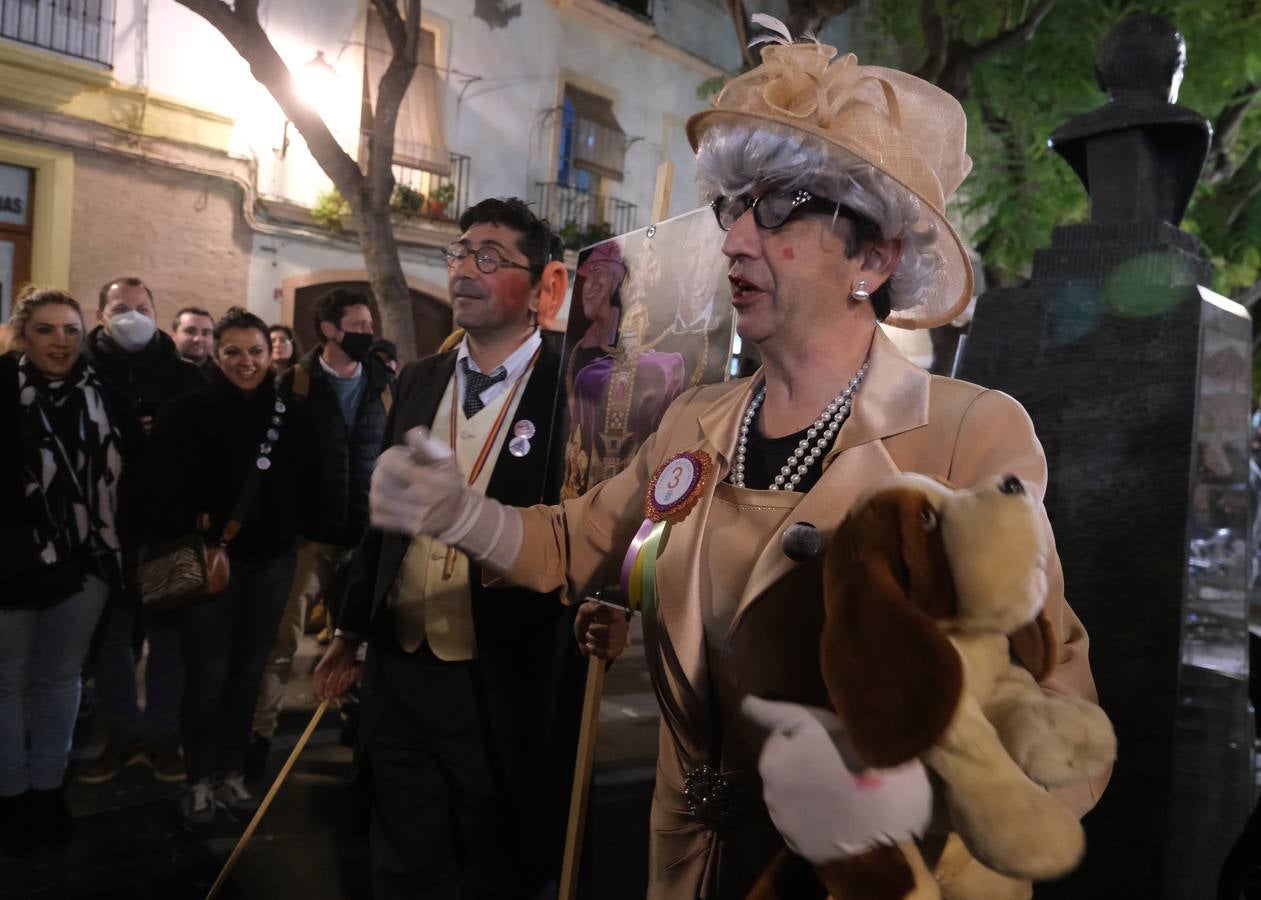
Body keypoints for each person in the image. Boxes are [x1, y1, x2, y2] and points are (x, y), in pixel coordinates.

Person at [366, 39, 1110, 900]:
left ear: (872, 261)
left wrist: (910, 802)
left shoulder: (967, 432)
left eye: (778, 208)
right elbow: (581, 542)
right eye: (731, 209)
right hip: (697, 863)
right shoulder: (694, 418)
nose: (734, 242)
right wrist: (457, 511)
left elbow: (1054, 691)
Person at [313, 198, 627, 900]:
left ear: (545, 288)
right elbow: (385, 522)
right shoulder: (420, 380)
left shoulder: (578, 391)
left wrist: (609, 600)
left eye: (490, 257)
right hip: (401, 667)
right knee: (400, 856)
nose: (464, 270)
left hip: (503, 671)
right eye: (459, 253)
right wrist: (351, 627)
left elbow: (592, 525)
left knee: (495, 862)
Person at [142, 306, 316, 825]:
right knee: (209, 674)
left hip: (273, 561)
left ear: (272, 354)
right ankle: (199, 776)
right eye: (234, 352)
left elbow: (310, 479)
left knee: (248, 673)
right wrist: (192, 518)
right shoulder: (186, 411)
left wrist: (292, 527)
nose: (246, 362)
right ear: (217, 355)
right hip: (211, 561)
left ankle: (231, 771)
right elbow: (157, 486)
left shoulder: (293, 413)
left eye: (256, 352)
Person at [0, 287, 133, 854]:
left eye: (71, 331)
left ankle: (48, 790)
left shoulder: (106, 392)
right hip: (9, 561)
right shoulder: (1, 388)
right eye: (47, 330)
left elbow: (130, 479)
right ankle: (9, 795)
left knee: (61, 679)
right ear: (24, 335)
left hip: (87, 562)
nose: (60, 342)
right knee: (6, 682)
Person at [244, 290, 394, 774]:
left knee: (354, 640)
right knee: (282, 643)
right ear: (330, 330)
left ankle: (352, 718)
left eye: (369, 322)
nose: (367, 330)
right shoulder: (296, 384)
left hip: (364, 536)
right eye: (357, 322)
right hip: (310, 540)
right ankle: (259, 736)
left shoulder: (383, 382)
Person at [79, 277, 205, 785]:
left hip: (165, 531)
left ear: (157, 312)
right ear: (101, 313)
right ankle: (120, 735)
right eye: (121, 307)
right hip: (102, 534)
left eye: (142, 307)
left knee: (166, 642)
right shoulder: (85, 372)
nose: (132, 315)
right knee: (110, 642)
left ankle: (161, 736)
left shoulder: (185, 377)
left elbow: (203, 451)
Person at [562, 241, 686, 497]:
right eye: (588, 275)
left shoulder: (662, 366)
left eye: (600, 273)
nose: (590, 285)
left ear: (618, 283)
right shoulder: (582, 356)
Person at [171, 306, 216, 374]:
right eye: (190, 331)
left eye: (205, 333)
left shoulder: (224, 376)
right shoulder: (155, 368)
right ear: (173, 335)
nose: (198, 339)